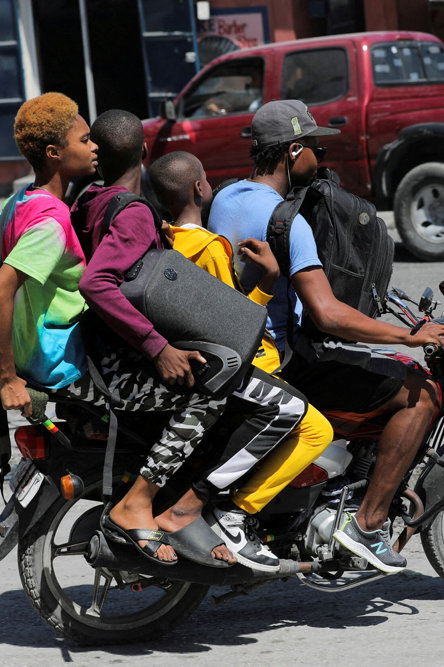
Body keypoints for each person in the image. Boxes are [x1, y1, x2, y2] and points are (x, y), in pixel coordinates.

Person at [208, 99, 444, 574]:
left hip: (236, 351)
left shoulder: (225, 198)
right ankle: (366, 526)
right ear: (293, 151)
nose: (319, 161)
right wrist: (409, 335)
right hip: (283, 361)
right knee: (421, 393)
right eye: (315, 150)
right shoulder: (288, 222)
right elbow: (326, 315)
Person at [72, 110, 307, 571]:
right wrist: (157, 347)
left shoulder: (91, 200)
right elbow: (96, 283)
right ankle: (166, 506)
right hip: (128, 361)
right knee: (268, 402)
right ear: (143, 153)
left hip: (102, 353)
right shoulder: (136, 215)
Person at [148, 150, 333, 556]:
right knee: (317, 429)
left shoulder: (166, 239)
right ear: (199, 189)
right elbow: (234, 327)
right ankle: (234, 513)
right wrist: (268, 280)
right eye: (207, 178)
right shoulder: (209, 248)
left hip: (203, 358)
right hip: (239, 362)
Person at [0, 92, 99, 421]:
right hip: (60, 361)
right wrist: (7, 380)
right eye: (85, 140)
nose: (94, 147)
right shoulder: (51, 223)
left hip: (28, 351)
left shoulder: (20, 200)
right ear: (54, 153)